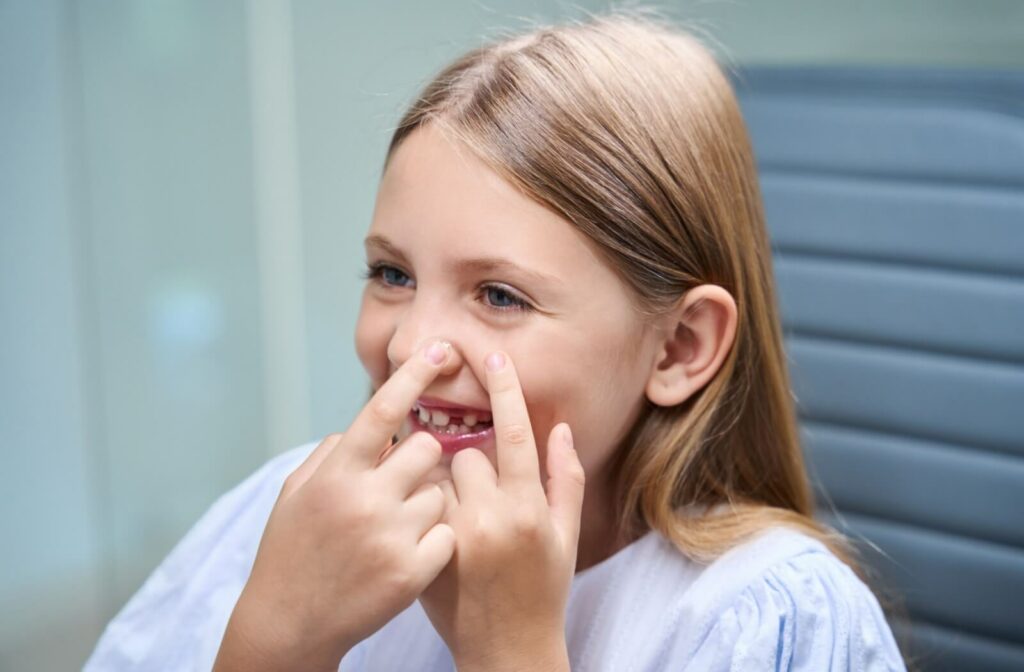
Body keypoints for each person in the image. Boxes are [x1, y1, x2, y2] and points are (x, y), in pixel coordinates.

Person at [85, 10, 907, 671]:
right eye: (392, 275)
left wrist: (510, 651)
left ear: (678, 349)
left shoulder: (767, 622)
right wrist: (275, 642)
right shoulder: (285, 519)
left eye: (500, 295)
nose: (411, 346)